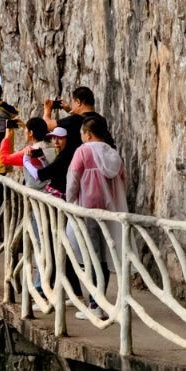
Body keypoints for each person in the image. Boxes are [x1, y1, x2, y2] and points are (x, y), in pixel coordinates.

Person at [63, 113, 127, 294]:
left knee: (92, 255)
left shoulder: (83, 151)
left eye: (82, 134)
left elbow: (73, 181)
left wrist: (70, 202)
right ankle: (98, 299)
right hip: (110, 210)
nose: (81, 137)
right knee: (105, 255)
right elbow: (123, 182)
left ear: (88, 134)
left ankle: (95, 303)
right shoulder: (113, 154)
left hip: (88, 209)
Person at [41, 85, 97, 193]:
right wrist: (69, 110)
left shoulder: (74, 120)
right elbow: (82, 118)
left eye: (73, 103)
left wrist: (47, 110)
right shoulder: (99, 120)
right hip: (92, 171)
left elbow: (46, 125)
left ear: (78, 102)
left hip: (72, 171)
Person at [0, 116, 57, 187]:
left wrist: (7, 136)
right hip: (52, 189)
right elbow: (36, 140)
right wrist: (25, 127)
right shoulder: (54, 146)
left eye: (26, 130)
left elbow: (4, 159)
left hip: (36, 192)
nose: (25, 131)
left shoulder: (29, 152)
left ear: (31, 133)